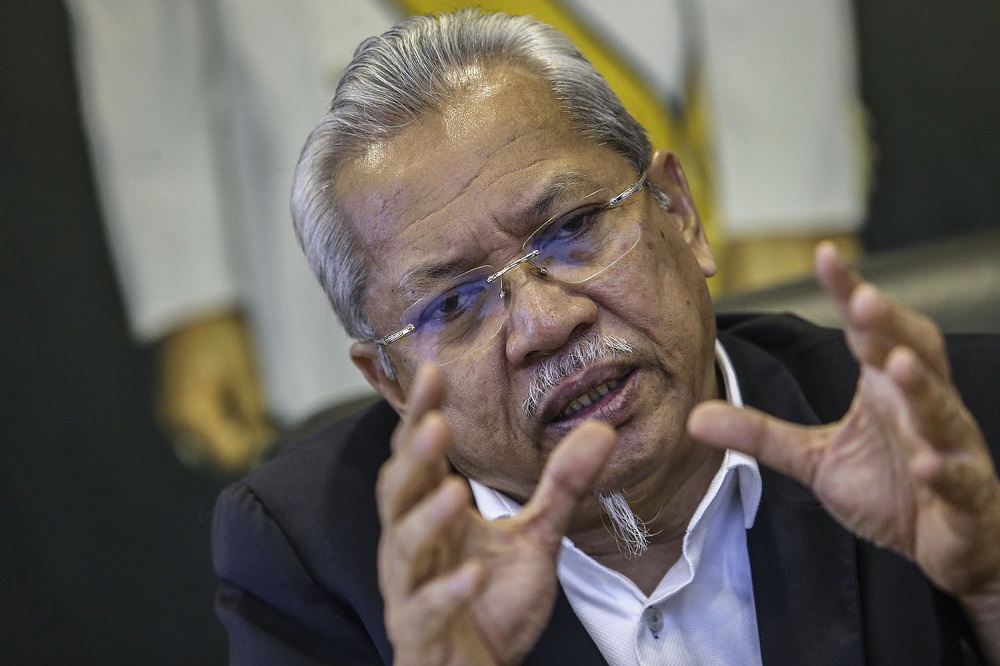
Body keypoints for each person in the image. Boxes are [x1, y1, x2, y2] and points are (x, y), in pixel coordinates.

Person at [211, 9, 1000, 664]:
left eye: (572, 228)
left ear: (678, 214)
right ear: (390, 381)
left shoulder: (952, 435)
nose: (546, 324)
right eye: (453, 304)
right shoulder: (318, 562)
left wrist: (991, 588)